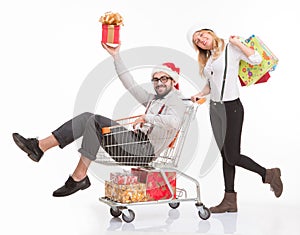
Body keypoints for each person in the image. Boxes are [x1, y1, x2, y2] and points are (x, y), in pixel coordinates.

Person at [12, 43, 186, 197]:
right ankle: (43, 149)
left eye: (164, 78)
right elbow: (130, 84)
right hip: (133, 142)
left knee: (94, 121)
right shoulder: (153, 99)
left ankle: (75, 174)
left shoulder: (177, 100)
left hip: (144, 150)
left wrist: (147, 116)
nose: (159, 82)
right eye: (155, 79)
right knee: (88, 119)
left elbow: (174, 122)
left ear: (173, 81)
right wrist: (116, 56)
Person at [189, 26, 283, 213]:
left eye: (201, 35)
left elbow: (256, 59)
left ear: (210, 33)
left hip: (231, 108)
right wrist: (199, 94)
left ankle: (268, 174)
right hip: (214, 109)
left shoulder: (230, 48)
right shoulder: (208, 59)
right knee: (226, 156)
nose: (201, 40)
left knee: (233, 155)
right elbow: (211, 85)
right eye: (197, 41)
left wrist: (238, 43)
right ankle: (229, 200)